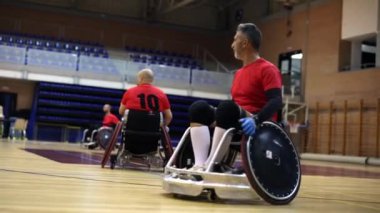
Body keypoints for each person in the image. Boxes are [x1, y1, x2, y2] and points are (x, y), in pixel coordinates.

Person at [189, 23, 282, 170]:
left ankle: (211, 164)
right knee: (198, 108)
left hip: (258, 123)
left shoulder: (268, 69)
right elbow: (235, 105)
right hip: (237, 119)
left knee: (226, 107)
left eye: (235, 40)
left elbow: (276, 100)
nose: (232, 45)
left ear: (245, 43)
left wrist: (256, 119)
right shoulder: (238, 73)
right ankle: (199, 165)